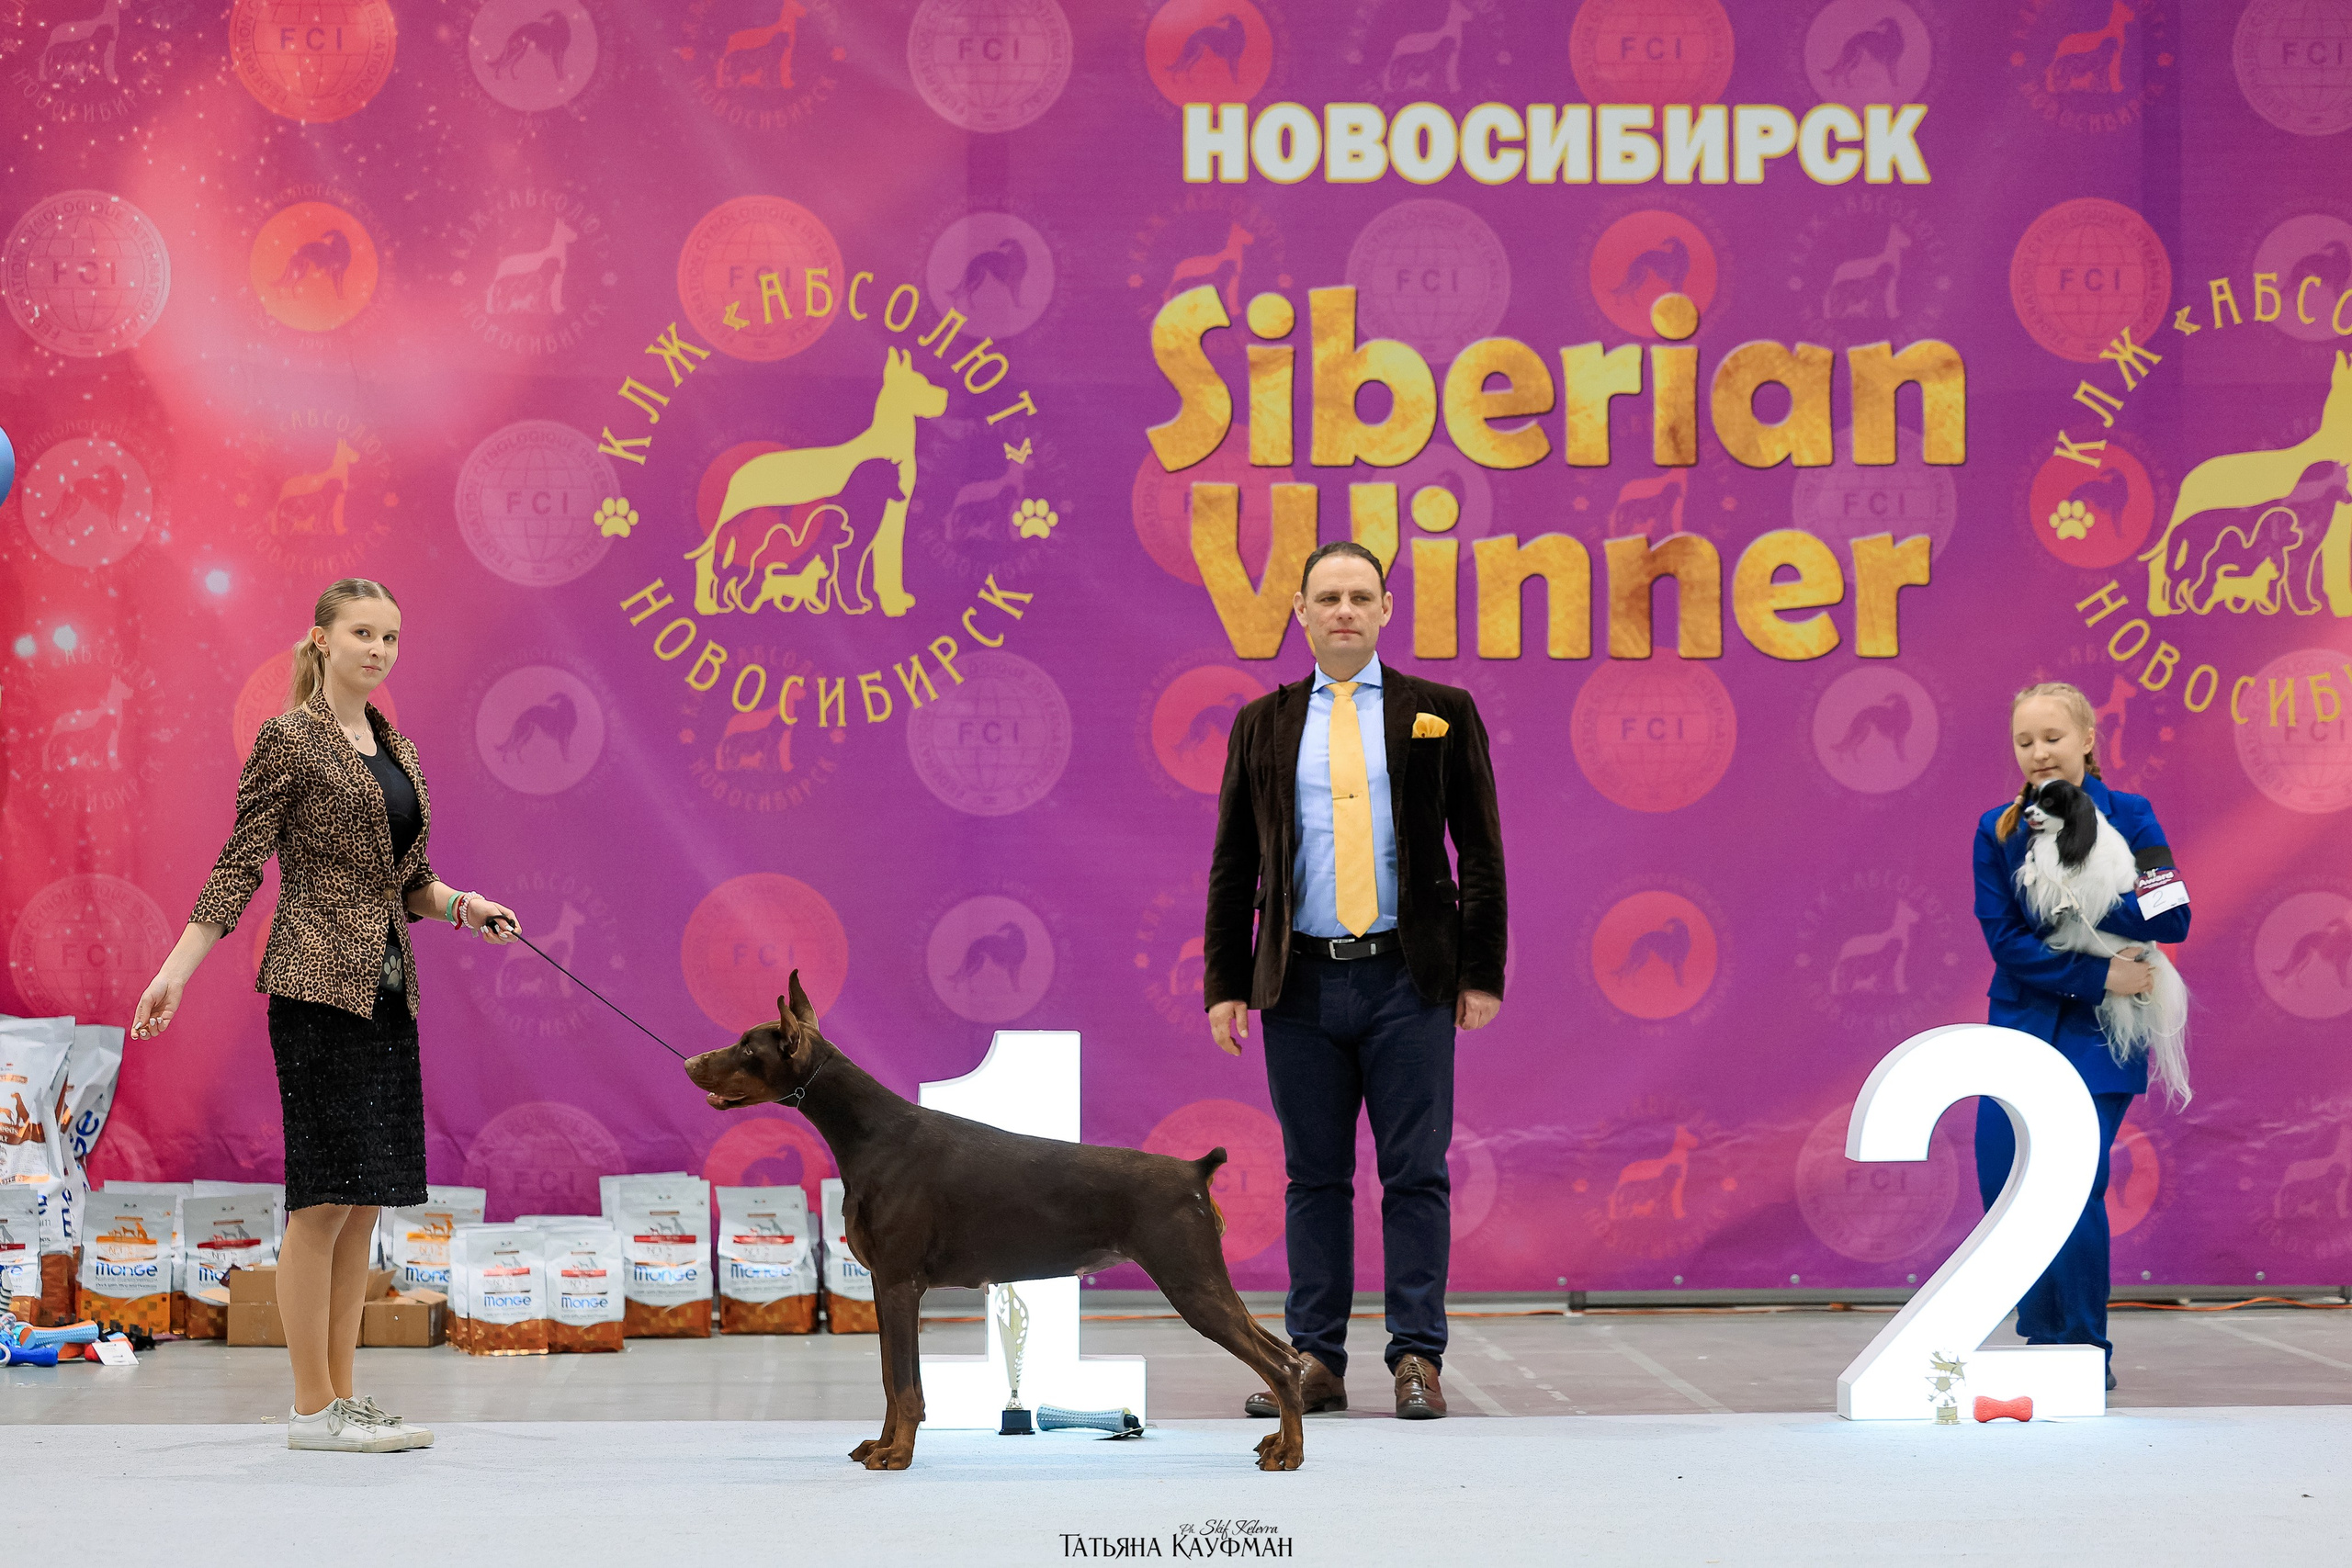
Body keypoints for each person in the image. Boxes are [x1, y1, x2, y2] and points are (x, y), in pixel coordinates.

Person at [130, 579, 522, 1452]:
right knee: (320, 1203)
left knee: (362, 1205)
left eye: (391, 635)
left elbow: (407, 881)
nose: (378, 649)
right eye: (361, 632)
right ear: (321, 638)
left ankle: (345, 1397)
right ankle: (312, 1407)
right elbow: (239, 867)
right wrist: (174, 972)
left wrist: (462, 905)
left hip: (386, 990)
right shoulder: (289, 740)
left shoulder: (398, 748)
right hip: (315, 991)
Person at [1203, 540, 1506, 1421]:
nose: (1343, 610)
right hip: (1297, 982)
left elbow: (1479, 850)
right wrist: (1228, 979)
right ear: (1299, 611)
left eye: (1359, 597)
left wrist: (1479, 971)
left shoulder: (1440, 712)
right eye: (1327, 596)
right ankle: (1314, 1359)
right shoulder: (1260, 723)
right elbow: (1233, 863)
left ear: (1385, 610)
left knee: (1415, 1174)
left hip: (1408, 983)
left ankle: (1417, 1355)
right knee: (1313, 1178)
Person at [1973, 680, 2189, 1390]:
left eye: (2052, 737)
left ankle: (2084, 1349)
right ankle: (2043, 1334)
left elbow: (2172, 915)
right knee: (2007, 1176)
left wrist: (2100, 903)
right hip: (2025, 1021)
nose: (2038, 752)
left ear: (2088, 738)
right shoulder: (1997, 828)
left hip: (2103, 1037)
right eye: (2024, 741)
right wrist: (2099, 975)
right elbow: (2007, 941)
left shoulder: (2133, 814)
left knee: (2071, 1179)